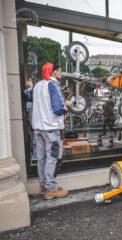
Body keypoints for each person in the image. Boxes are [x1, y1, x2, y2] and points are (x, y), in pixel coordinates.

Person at [32, 62, 72, 200]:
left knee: (42, 157)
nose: (61, 73)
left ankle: (44, 185)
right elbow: (58, 108)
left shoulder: (38, 85)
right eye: (60, 71)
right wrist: (67, 105)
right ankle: (51, 189)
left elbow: (31, 97)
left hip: (38, 127)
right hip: (51, 128)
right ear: (55, 72)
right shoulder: (53, 84)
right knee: (52, 157)